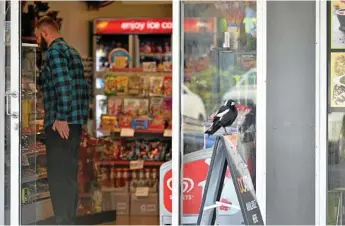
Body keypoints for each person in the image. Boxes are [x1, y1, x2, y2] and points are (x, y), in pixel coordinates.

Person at [35, 16, 90, 225]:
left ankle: (62, 221)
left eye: (37, 35)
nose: (37, 39)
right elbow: (82, 89)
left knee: (58, 176)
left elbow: (63, 84)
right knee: (68, 175)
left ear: (44, 33)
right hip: (73, 124)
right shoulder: (72, 51)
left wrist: (61, 117)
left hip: (61, 125)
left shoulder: (55, 52)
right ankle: (68, 220)